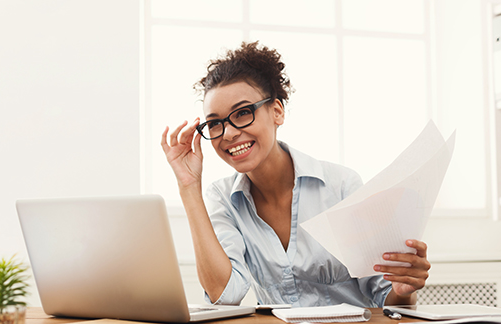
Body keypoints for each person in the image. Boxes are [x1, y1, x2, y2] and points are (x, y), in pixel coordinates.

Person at [160, 41, 430, 308]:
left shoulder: (341, 186)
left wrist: (403, 290)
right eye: (215, 123)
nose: (228, 133)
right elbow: (225, 294)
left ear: (277, 111)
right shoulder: (223, 198)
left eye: (242, 113)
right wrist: (188, 186)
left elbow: (388, 298)